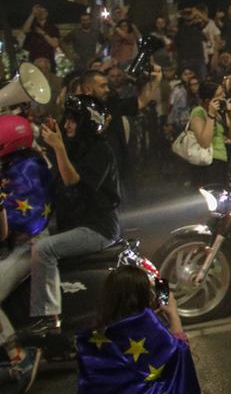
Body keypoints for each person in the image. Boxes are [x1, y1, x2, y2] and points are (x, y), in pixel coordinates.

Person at [24, 95, 122, 336]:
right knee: (30, 242)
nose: (68, 125)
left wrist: (58, 146)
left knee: (44, 249)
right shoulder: (76, 147)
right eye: (66, 119)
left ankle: (49, 317)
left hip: (97, 228)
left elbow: (72, 180)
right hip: (74, 224)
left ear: (88, 123)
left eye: (73, 121)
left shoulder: (101, 150)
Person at [76, 265, 200, 392]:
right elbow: (180, 354)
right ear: (145, 295)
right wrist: (172, 313)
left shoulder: (92, 335)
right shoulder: (149, 327)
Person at [0, 115, 50, 388]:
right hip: (22, 242)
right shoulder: (20, 162)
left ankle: (19, 355)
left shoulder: (26, 169)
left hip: (31, 242)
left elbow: (24, 215)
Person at [187, 81, 231, 185]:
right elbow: (204, 142)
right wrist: (210, 115)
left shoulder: (219, 113)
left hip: (222, 160)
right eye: (219, 95)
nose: (223, 97)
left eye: (223, 93)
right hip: (207, 163)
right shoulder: (198, 112)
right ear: (208, 100)